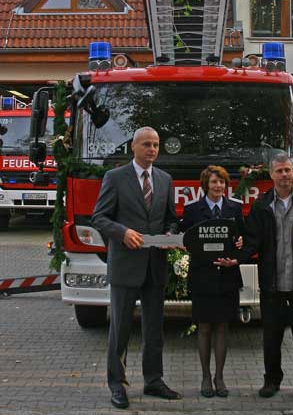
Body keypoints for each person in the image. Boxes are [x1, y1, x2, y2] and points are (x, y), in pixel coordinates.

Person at [91, 127, 181, 410]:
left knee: (154, 330)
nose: (152, 149)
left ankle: (154, 380)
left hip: (155, 267)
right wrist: (122, 232)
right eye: (146, 144)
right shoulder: (115, 178)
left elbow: (171, 219)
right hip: (126, 266)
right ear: (133, 147)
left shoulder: (165, 180)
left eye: (155, 145)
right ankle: (117, 385)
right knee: (120, 329)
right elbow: (100, 217)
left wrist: (170, 235)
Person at [239, 151, 293, 402]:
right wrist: (236, 255)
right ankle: (271, 380)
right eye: (279, 171)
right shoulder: (262, 205)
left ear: (292, 172)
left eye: (288, 170)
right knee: (271, 336)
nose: (284, 175)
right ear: (271, 174)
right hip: (272, 281)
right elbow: (252, 240)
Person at [181, 165, 244, 399]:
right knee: (205, 327)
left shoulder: (235, 208)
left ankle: (220, 377)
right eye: (214, 182)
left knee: (222, 327)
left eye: (222, 182)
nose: (218, 186)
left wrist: (240, 244)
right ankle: (205, 377)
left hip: (227, 278)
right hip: (202, 278)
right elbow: (185, 238)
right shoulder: (192, 210)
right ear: (205, 185)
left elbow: (243, 238)